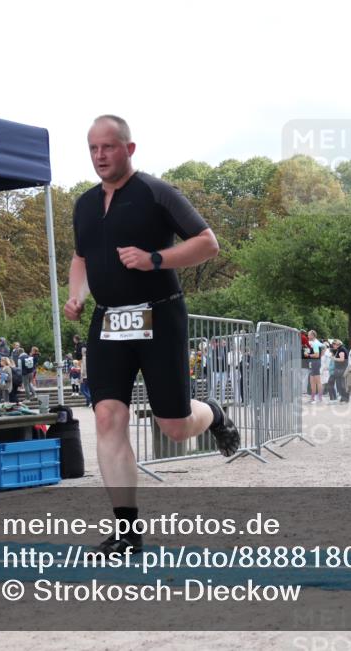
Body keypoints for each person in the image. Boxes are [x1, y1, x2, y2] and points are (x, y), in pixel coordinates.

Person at [65, 114, 240, 555]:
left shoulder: (156, 192)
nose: (100, 156)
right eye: (93, 149)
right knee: (108, 416)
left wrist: (155, 260)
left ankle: (213, 414)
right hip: (107, 322)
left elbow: (207, 243)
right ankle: (126, 531)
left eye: (108, 147)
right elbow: (81, 258)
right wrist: (76, 295)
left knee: (175, 427)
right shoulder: (84, 204)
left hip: (159, 318)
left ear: (129, 149)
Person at [329, 339, 348, 403]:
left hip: (341, 369)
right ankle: (343, 398)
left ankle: (345, 398)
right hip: (340, 369)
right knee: (340, 384)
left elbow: (342, 359)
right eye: (333, 344)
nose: (333, 345)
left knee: (341, 384)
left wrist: (334, 358)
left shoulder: (341, 349)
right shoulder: (340, 349)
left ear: (338, 344)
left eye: (334, 344)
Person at [307, 330, 323, 404]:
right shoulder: (315, 343)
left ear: (313, 336)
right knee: (312, 381)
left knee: (317, 381)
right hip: (314, 362)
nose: (308, 336)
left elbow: (316, 355)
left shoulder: (315, 343)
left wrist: (309, 355)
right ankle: (313, 398)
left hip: (315, 362)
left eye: (309, 335)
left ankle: (319, 398)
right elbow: (324, 348)